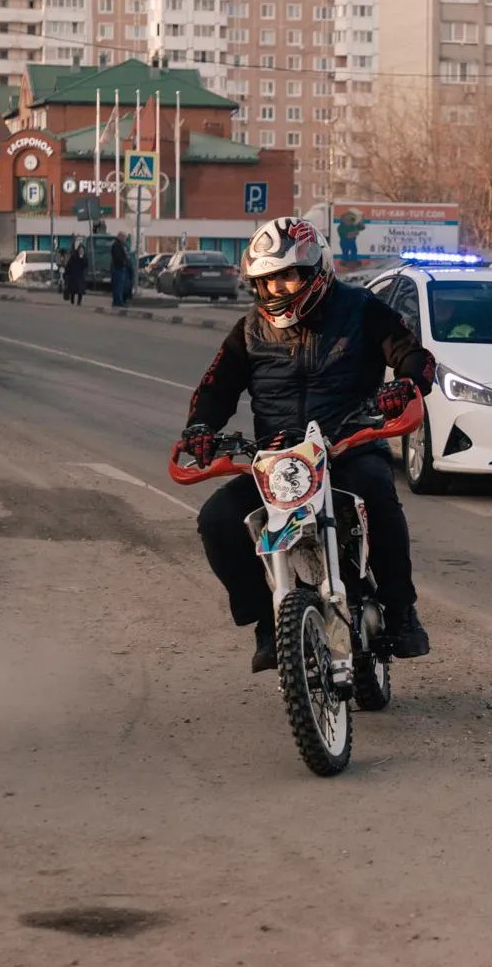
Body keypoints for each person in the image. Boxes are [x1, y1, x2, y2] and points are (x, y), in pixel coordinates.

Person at [181, 216, 435, 673]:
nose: (278, 288)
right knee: (217, 518)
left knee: (378, 495)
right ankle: (265, 622)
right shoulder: (250, 329)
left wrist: (406, 384)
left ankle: (402, 613)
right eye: (267, 280)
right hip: (280, 461)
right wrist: (199, 429)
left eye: (288, 275)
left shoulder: (361, 308)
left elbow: (413, 355)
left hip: (349, 444)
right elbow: (216, 388)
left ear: (317, 269)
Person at [109, 234, 132, 308]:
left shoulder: (119, 245)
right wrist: (123, 263)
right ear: (120, 237)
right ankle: (118, 302)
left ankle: (118, 301)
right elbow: (118, 257)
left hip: (119, 268)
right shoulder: (117, 245)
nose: (125, 239)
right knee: (118, 286)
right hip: (118, 268)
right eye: (124, 237)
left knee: (120, 286)